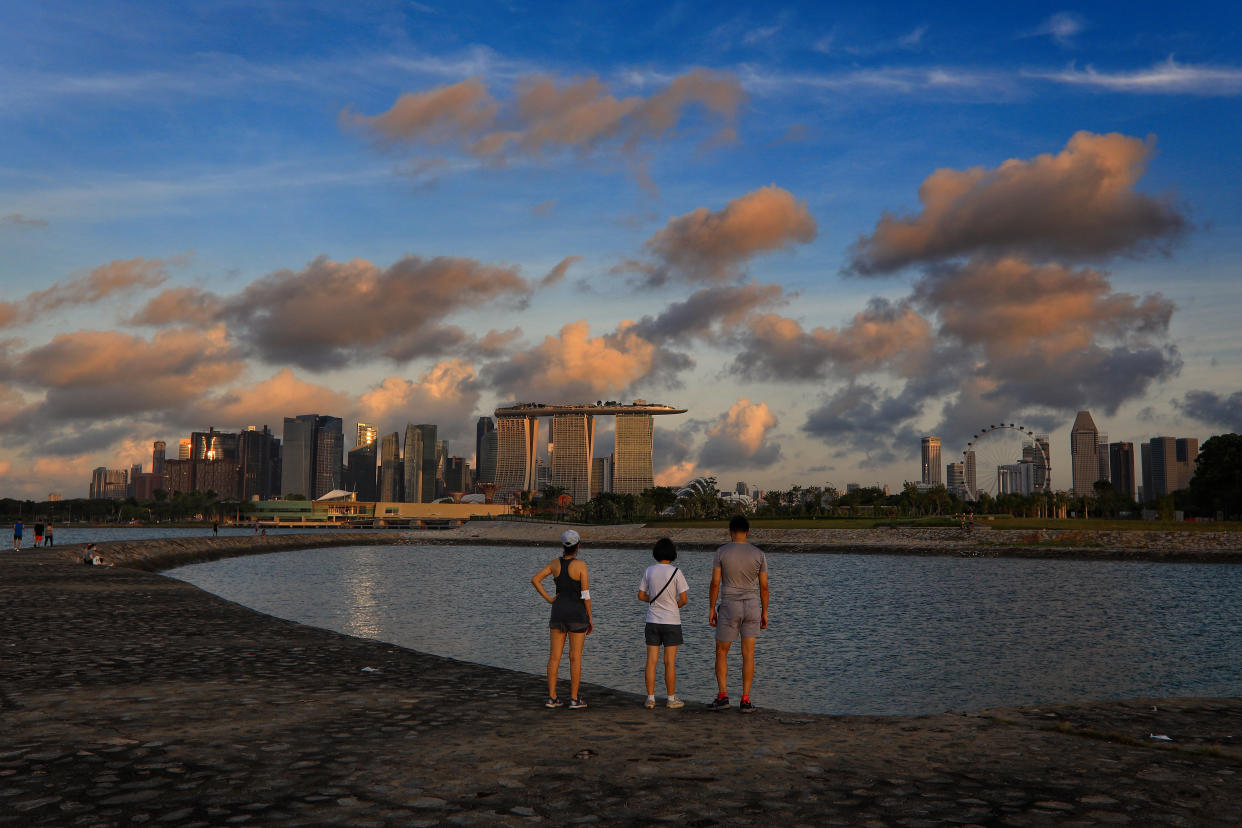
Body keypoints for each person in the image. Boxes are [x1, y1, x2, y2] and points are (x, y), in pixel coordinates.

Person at [708, 514, 769, 713]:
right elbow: (764, 586)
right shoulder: (759, 554)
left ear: (730, 531)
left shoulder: (721, 552)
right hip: (752, 605)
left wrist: (711, 608)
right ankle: (745, 698)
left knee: (721, 652)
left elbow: (715, 583)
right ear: (748, 532)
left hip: (729, 605)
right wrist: (765, 612)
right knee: (748, 655)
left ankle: (723, 695)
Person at [530, 529, 593, 710]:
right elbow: (585, 594)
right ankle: (574, 699)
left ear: (563, 546)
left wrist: (550, 599)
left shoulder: (555, 564)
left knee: (554, 657)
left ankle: (552, 697)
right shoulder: (581, 566)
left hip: (558, 613)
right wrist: (590, 617)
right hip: (577, 614)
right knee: (575, 657)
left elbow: (535, 579)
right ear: (578, 546)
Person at [637, 537, 689, 709]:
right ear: (672, 554)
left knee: (651, 661)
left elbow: (641, 595)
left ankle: (650, 698)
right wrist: (673, 606)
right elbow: (684, 599)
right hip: (671, 622)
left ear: (656, 553)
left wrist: (654, 601)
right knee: (669, 662)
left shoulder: (649, 571)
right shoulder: (676, 572)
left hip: (652, 620)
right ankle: (671, 698)